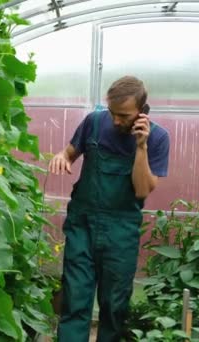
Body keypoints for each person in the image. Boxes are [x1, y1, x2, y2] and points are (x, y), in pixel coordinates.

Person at [49, 76, 170, 341]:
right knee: (75, 300)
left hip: (120, 233)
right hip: (83, 227)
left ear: (142, 111)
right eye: (113, 113)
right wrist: (61, 156)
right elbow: (69, 153)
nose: (116, 120)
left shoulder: (159, 138)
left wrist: (141, 147)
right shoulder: (94, 122)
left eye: (124, 115)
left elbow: (141, 189)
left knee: (114, 307)